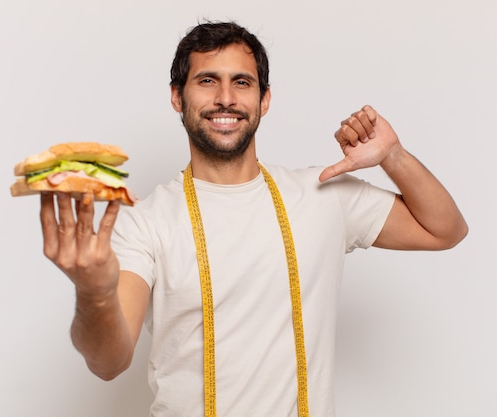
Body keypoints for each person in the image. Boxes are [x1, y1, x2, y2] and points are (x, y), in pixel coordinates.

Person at [39, 21, 468, 417]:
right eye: (207, 81)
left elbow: (445, 229)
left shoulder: (322, 196)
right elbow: (109, 362)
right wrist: (94, 293)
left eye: (241, 82)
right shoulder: (147, 223)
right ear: (177, 96)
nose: (225, 98)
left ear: (264, 99)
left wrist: (393, 156)